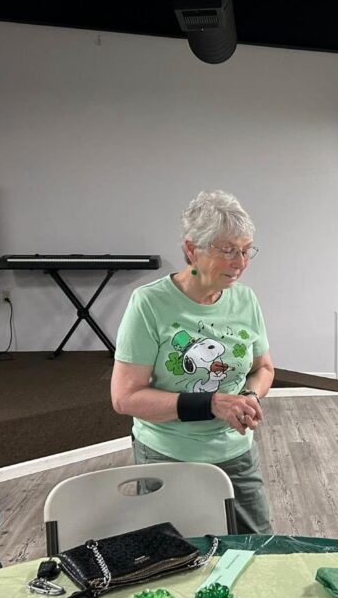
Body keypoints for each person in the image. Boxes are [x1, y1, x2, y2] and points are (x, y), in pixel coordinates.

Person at [111, 190, 274, 534]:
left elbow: (264, 368)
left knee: (258, 550)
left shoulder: (245, 300)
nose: (239, 262)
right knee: (173, 561)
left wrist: (251, 397)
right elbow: (125, 398)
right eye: (227, 250)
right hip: (168, 455)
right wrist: (212, 403)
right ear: (191, 250)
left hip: (236, 453)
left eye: (246, 250)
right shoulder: (150, 304)